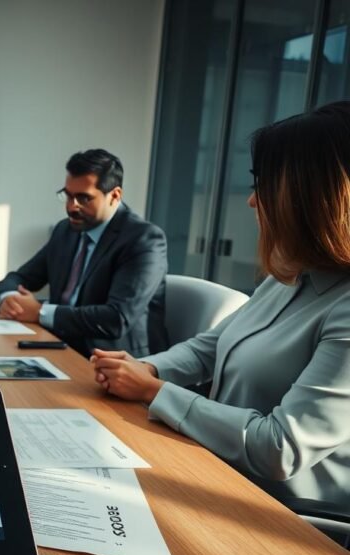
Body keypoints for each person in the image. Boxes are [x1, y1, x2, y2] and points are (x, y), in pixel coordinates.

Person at [91, 102, 350, 514]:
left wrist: (156, 391)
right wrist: (149, 368)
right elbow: (210, 346)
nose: (251, 202)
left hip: (274, 517)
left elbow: (279, 447)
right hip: (212, 470)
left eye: (262, 185)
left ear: (311, 196)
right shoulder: (290, 275)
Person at [0, 149, 168, 357]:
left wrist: (40, 312)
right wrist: (9, 299)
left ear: (115, 195)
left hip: (113, 361)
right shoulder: (66, 230)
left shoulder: (143, 239)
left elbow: (116, 319)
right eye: (68, 196)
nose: (71, 207)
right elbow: (19, 277)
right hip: (60, 345)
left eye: (83, 198)